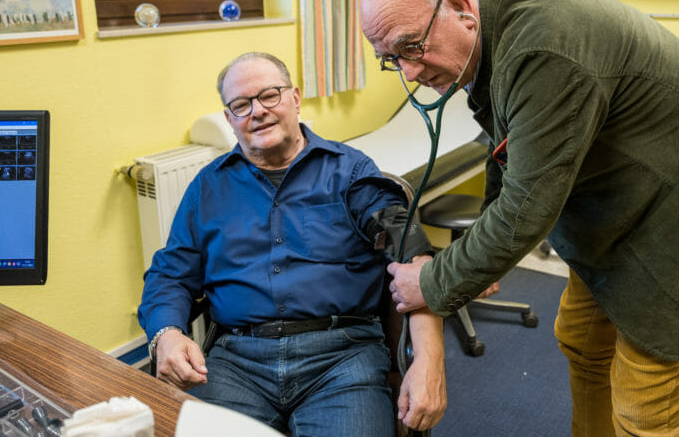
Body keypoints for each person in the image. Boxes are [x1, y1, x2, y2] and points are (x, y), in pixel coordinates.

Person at [361, 0, 679, 437]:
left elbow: (526, 208)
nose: (409, 73)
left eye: (412, 47)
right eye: (390, 60)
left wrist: (436, 281)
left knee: (645, 407)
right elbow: (506, 152)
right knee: (583, 344)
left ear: (460, 6)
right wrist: (472, 259)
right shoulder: (493, 30)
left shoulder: (542, 49)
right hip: (619, 208)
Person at [138, 52, 447, 436]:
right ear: (230, 118)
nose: (258, 111)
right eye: (241, 104)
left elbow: (406, 248)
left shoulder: (350, 171)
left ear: (295, 98)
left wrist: (430, 359)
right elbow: (170, 274)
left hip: (342, 356)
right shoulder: (208, 187)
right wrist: (165, 334)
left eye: (270, 95)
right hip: (237, 362)